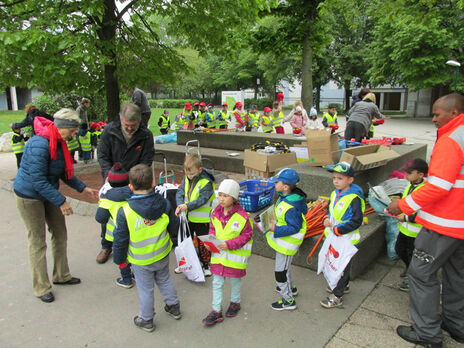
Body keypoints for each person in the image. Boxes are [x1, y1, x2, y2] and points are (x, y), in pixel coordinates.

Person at [387, 93, 464, 347]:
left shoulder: (451, 139)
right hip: (460, 225)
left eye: (436, 114)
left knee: (421, 273)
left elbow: (439, 186)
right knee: (456, 274)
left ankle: (427, 333)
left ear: (453, 113)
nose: (433, 119)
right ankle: (456, 323)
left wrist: (402, 205)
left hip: (444, 223)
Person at [14, 108, 98, 303]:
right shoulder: (39, 144)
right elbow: (38, 180)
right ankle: (41, 287)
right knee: (37, 241)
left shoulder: (59, 143)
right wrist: (61, 201)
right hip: (29, 196)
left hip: (47, 192)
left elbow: (63, 172)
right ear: (63, 128)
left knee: (60, 233)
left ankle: (61, 275)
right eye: (73, 131)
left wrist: (83, 189)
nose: (75, 134)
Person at [112, 164, 181, 332]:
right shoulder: (164, 204)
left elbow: (120, 239)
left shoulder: (125, 211)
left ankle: (146, 318)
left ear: (130, 186)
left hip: (140, 259)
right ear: (153, 183)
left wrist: (119, 259)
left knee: (145, 288)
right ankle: (174, 307)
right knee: (164, 279)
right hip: (162, 253)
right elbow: (174, 226)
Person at [96, 103, 155, 264]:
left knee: (133, 212)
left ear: (139, 121)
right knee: (109, 211)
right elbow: (102, 155)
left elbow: (147, 159)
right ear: (121, 119)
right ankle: (106, 245)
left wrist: (135, 177)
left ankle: (131, 245)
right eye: (126, 125)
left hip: (134, 180)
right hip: (112, 179)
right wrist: (110, 174)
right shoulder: (109, 130)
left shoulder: (146, 135)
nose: (129, 129)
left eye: (133, 126)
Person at [201, 179, 253, 325]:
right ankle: (215, 310)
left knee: (235, 281)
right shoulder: (215, 213)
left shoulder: (243, 217)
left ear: (234, 198)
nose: (221, 199)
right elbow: (212, 229)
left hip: (234, 259)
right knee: (217, 283)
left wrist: (229, 244)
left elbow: (246, 236)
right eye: (220, 195)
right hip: (218, 257)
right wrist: (210, 242)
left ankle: (235, 302)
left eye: (226, 196)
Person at [320, 162, 365, 309]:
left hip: (346, 239)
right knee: (337, 265)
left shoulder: (354, 198)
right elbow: (330, 211)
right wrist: (326, 218)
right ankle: (342, 286)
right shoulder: (334, 194)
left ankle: (337, 296)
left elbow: (357, 220)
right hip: (335, 238)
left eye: (340, 178)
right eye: (334, 178)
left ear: (350, 180)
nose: (335, 181)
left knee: (342, 267)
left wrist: (339, 230)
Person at [266, 168, 308, 310]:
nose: (274, 184)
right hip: (283, 244)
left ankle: (288, 300)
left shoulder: (291, 206)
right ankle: (291, 289)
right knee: (285, 268)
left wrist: (275, 229)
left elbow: (294, 227)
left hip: (286, 245)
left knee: (280, 272)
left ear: (285, 187)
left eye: (276, 182)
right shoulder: (285, 197)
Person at [175, 154, 216, 276]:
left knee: (204, 242)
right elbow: (180, 192)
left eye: (192, 174)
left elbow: (202, 199)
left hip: (202, 219)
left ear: (200, 170)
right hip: (188, 217)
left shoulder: (206, 182)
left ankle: (206, 265)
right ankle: (186, 262)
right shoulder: (186, 178)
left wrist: (186, 206)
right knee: (186, 241)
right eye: (187, 174)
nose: (189, 177)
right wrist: (179, 205)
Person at [96, 162, 133, 288]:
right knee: (133, 252)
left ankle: (126, 279)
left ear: (109, 181)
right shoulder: (134, 193)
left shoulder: (106, 198)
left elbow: (100, 218)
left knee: (121, 255)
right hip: (135, 230)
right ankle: (137, 273)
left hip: (118, 233)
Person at [394, 158, 428, 292]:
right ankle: (409, 268)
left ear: (420, 175)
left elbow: (423, 213)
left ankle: (411, 278)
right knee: (400, 249)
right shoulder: (410, 185)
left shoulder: (424, 190)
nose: (406, 176)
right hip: (405, 229)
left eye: (409, 173)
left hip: (416, 232)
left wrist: (406, 217)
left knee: (413, 255)